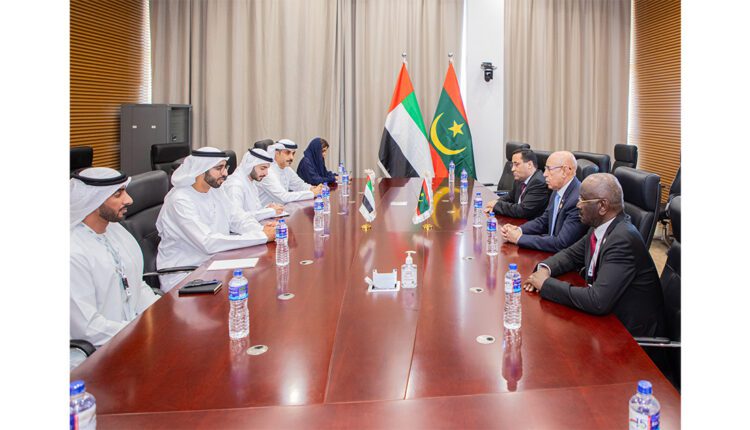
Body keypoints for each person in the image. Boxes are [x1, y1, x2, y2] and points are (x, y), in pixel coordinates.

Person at [522, 173, 665, 337]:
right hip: (608, 318)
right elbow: (570, 255)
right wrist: (545, 269)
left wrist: (546, 284)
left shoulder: (622, 239)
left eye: (582, 200)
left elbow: (597, 301)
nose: (577, 205)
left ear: (602, 206)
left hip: (630, 334)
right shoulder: (599, 226)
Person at [156, 147, 276, 292]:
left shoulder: (215, 190)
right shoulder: (180, 200)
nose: (225, 174)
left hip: (216, 261)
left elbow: (237, 218)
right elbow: (208, 242)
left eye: (225, 167)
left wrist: (262, 230)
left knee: (263, 275)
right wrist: (261, 236)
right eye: (219, 168)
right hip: (187, 274)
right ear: (201, 170)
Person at [70, 167, 159, 348]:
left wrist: (161, 314)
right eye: (118, 194)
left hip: (130, 336)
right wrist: (141, 331)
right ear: (94, 200)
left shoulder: (116, 232)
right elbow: (88, 329)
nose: (129, 200)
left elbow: (136, 284)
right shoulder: (73, 253)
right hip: (96, 353)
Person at [499, 151, 587, 252]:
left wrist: (519, 238)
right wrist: (519, 229)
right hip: (549, 249)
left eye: (549, 169)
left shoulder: (577, 200)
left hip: (563, 255)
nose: (545, 174)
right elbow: (544, 221)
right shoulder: (557, 190)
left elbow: (561, 243)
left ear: (565, 171)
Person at [484, 148, 550, 219]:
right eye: (512, 165)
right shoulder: (520, 179)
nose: (512, 169)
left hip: (529, 223)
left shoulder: (539, 183)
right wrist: (495, 202)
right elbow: (510, 197)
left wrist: (496, 205)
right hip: (517, 220)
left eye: (516, 164)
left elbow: (522, 211)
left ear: (529, 165)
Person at [223, 147, 285, 221]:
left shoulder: (250, 181)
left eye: (267, 169)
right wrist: (269, 212)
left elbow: (252, 210)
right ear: (250, 165)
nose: (266, 173)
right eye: (262, 168)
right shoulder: (235, 185)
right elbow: (237, 218)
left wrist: (267, 209)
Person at [257, 139, 324, 205]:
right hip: (266, 211)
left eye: (293, 153)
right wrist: (312, 193)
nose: (291, 157)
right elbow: (283, 197)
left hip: (282, 208)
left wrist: (312, 188)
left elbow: (299, 185)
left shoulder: (287, 169)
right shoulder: (267, 172)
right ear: (277, 153)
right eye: (287, 153)